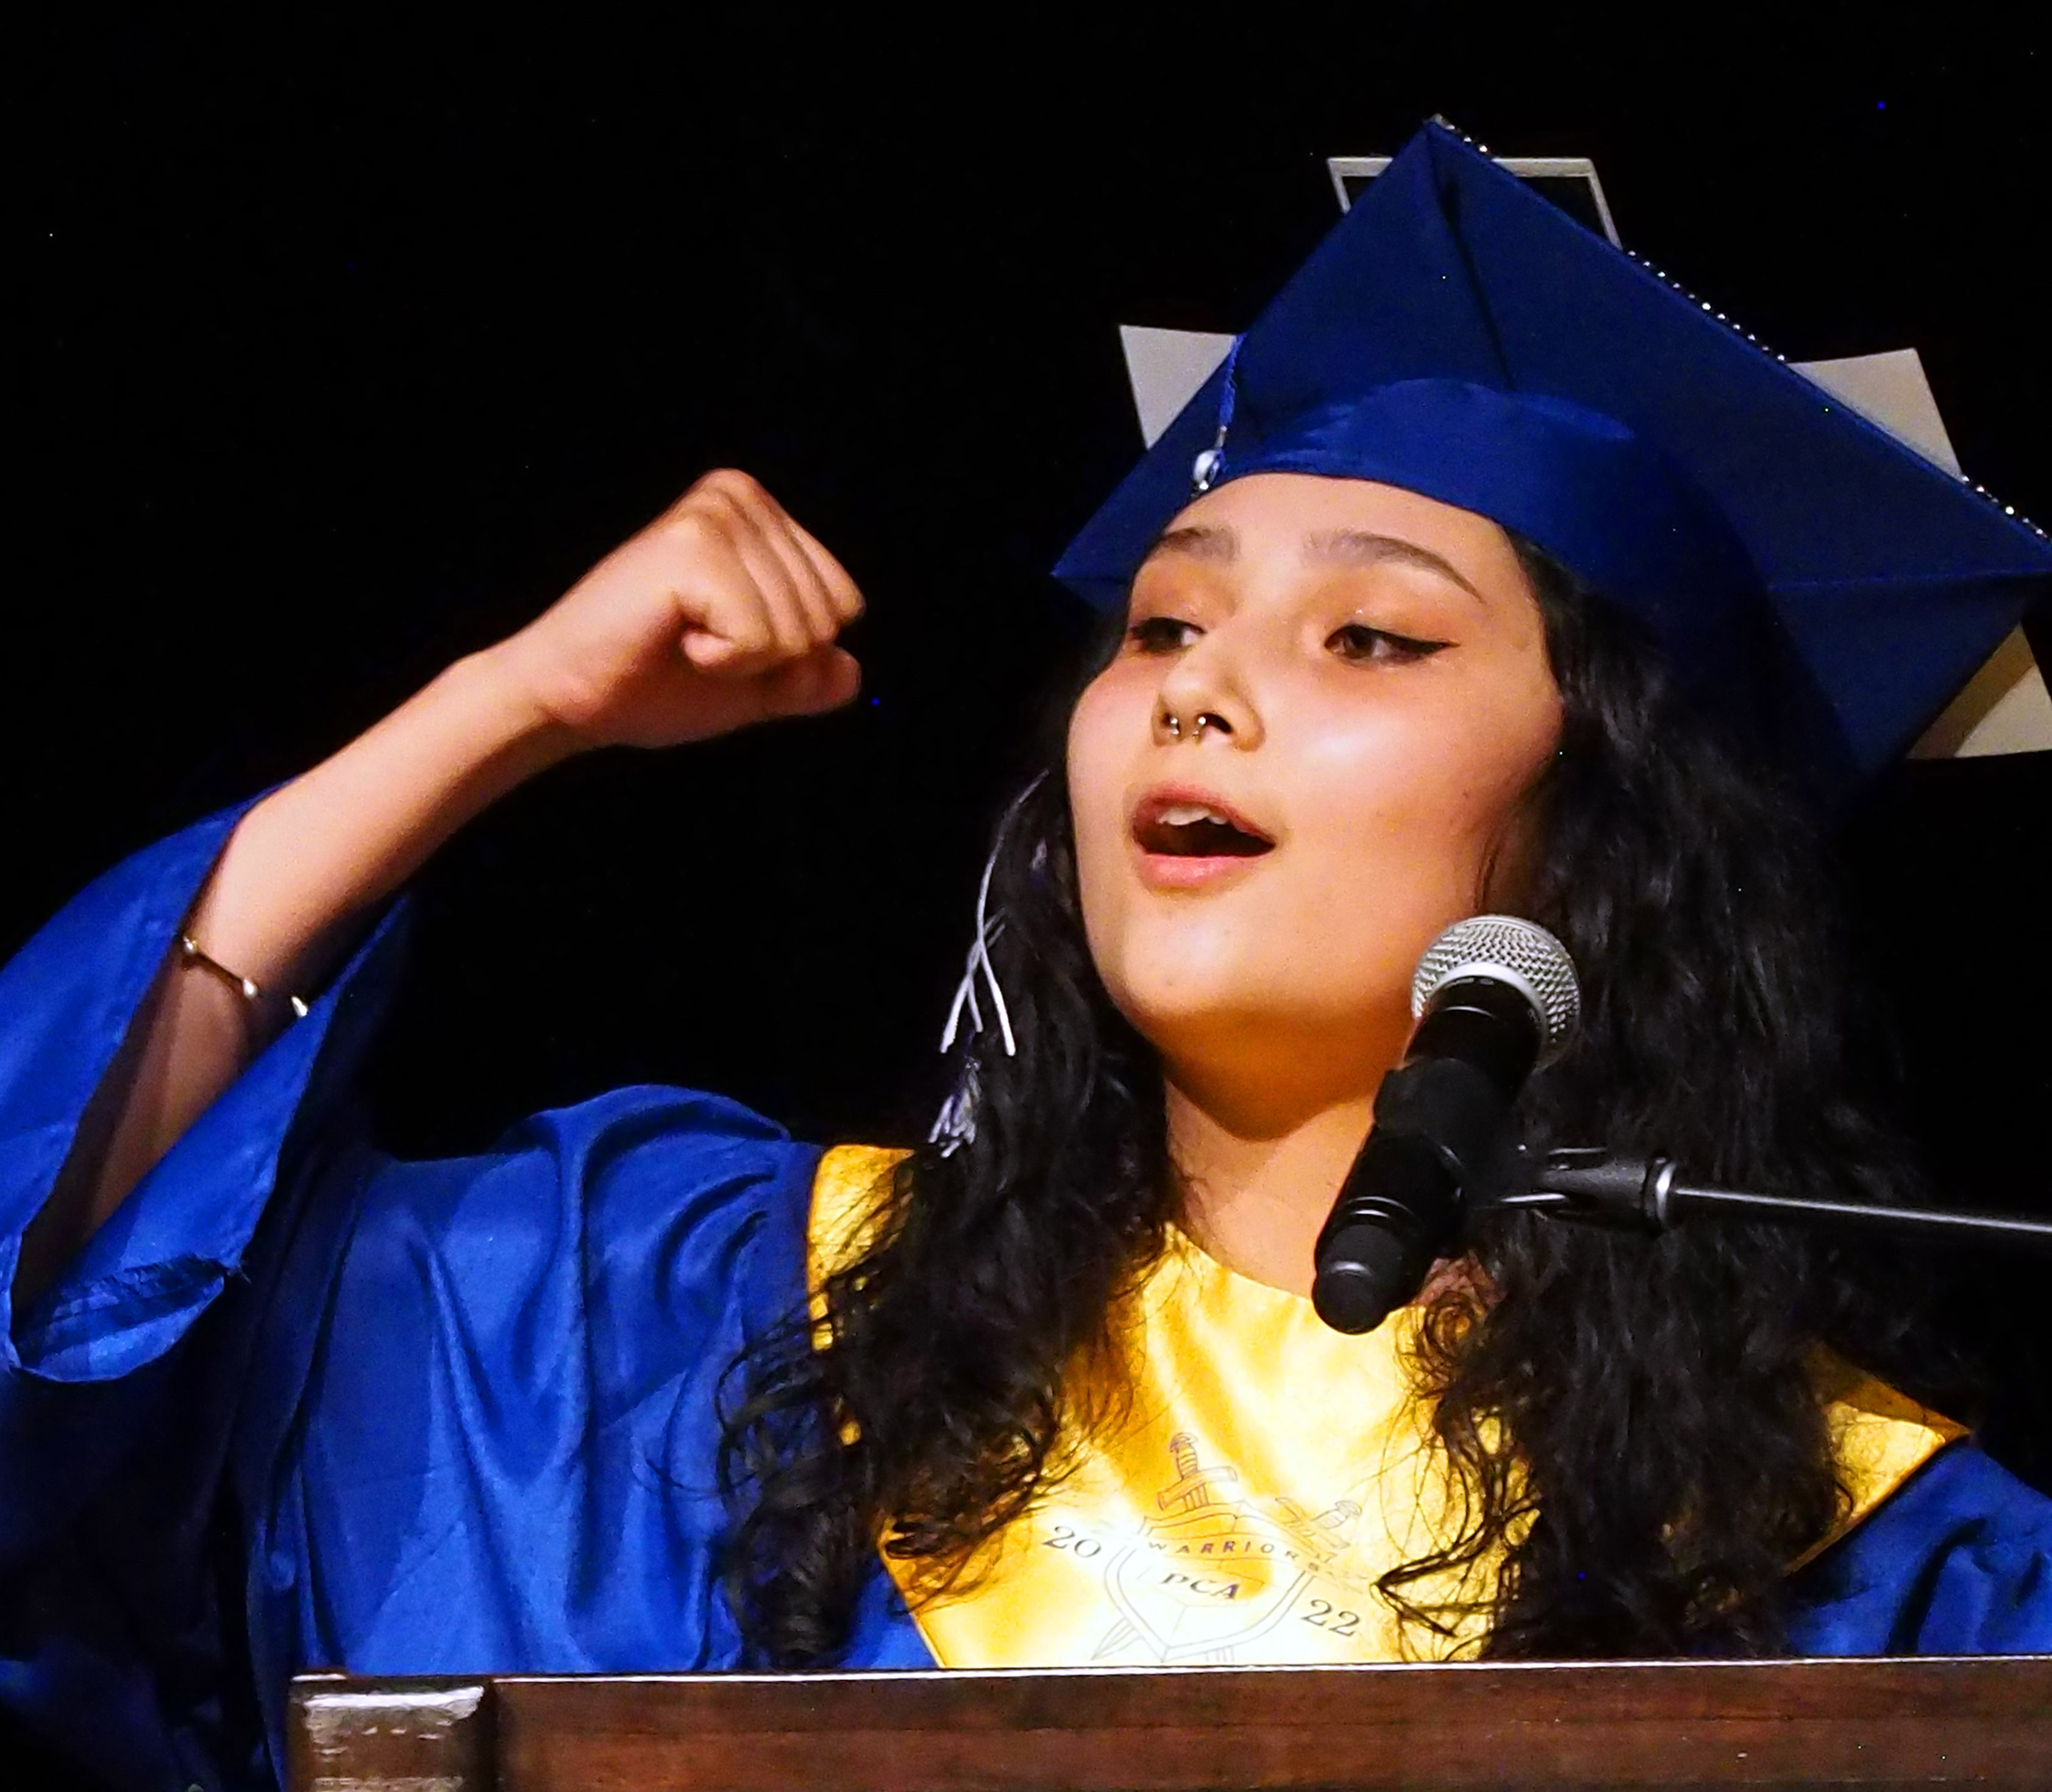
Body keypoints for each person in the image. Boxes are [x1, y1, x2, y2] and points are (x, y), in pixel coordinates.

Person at [4, 122, 2050, 1792]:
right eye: (1165, 622)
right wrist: (505, 707)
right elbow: (63, 1297)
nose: (1198, 689)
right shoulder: (700, 1333)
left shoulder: (1889, 1568)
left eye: (1372, 636)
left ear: (1614, 843)